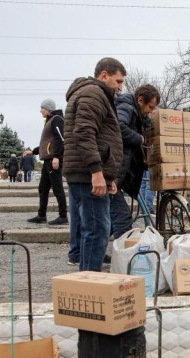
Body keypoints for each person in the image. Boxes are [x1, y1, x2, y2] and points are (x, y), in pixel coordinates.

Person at [62, 57, 125, 271]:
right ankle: (89, 284)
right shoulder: (94, 93)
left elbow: (101, 137)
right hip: (87, 174)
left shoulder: (95, 94)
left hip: (86, 173)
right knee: (97, 229)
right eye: (118, 81)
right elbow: (84, 132)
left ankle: (88, 282)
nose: (120, 87)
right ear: (104, 74)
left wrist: (109, 177)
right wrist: (97, 172)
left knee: (92, 228)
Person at [112, 84, 160, 238]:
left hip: (119, 171)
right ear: (140, 100)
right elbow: (119, 127)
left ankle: (82, 252)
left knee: (110, 219)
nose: (151, 111)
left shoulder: (136, 112)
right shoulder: (126, 106)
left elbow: (138, 123)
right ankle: (125, 256)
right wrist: (139, 138)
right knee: (123, 219)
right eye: (150, 106)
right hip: (112, 171)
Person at [27, 98, 68, 226]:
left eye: (42, 108)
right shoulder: (49, 121)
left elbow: (60, 139)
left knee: (57, 189)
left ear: (48, 108)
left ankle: (63, 216)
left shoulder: (56, 119)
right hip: (47, 160)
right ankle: (41, 215)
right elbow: (47, 144)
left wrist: (57, 156)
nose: (40, 111)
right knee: (43, 188)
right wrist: (33, 152)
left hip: (53, 160)